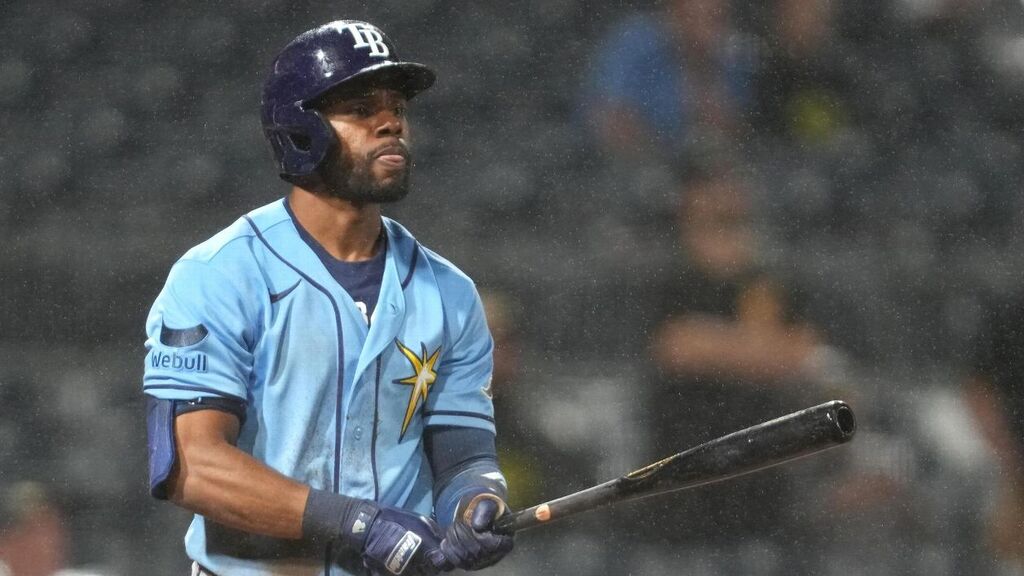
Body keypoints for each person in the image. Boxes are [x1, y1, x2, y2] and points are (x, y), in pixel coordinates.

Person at [141, 20, 513, 576]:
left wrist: (477, 503)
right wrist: (357, 523)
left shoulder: (451, 293)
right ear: (299, 129)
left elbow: (464, 456)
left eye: (397, 108)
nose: (391, 123)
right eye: (361, 109)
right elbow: (192, 467)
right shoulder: (220, 275)